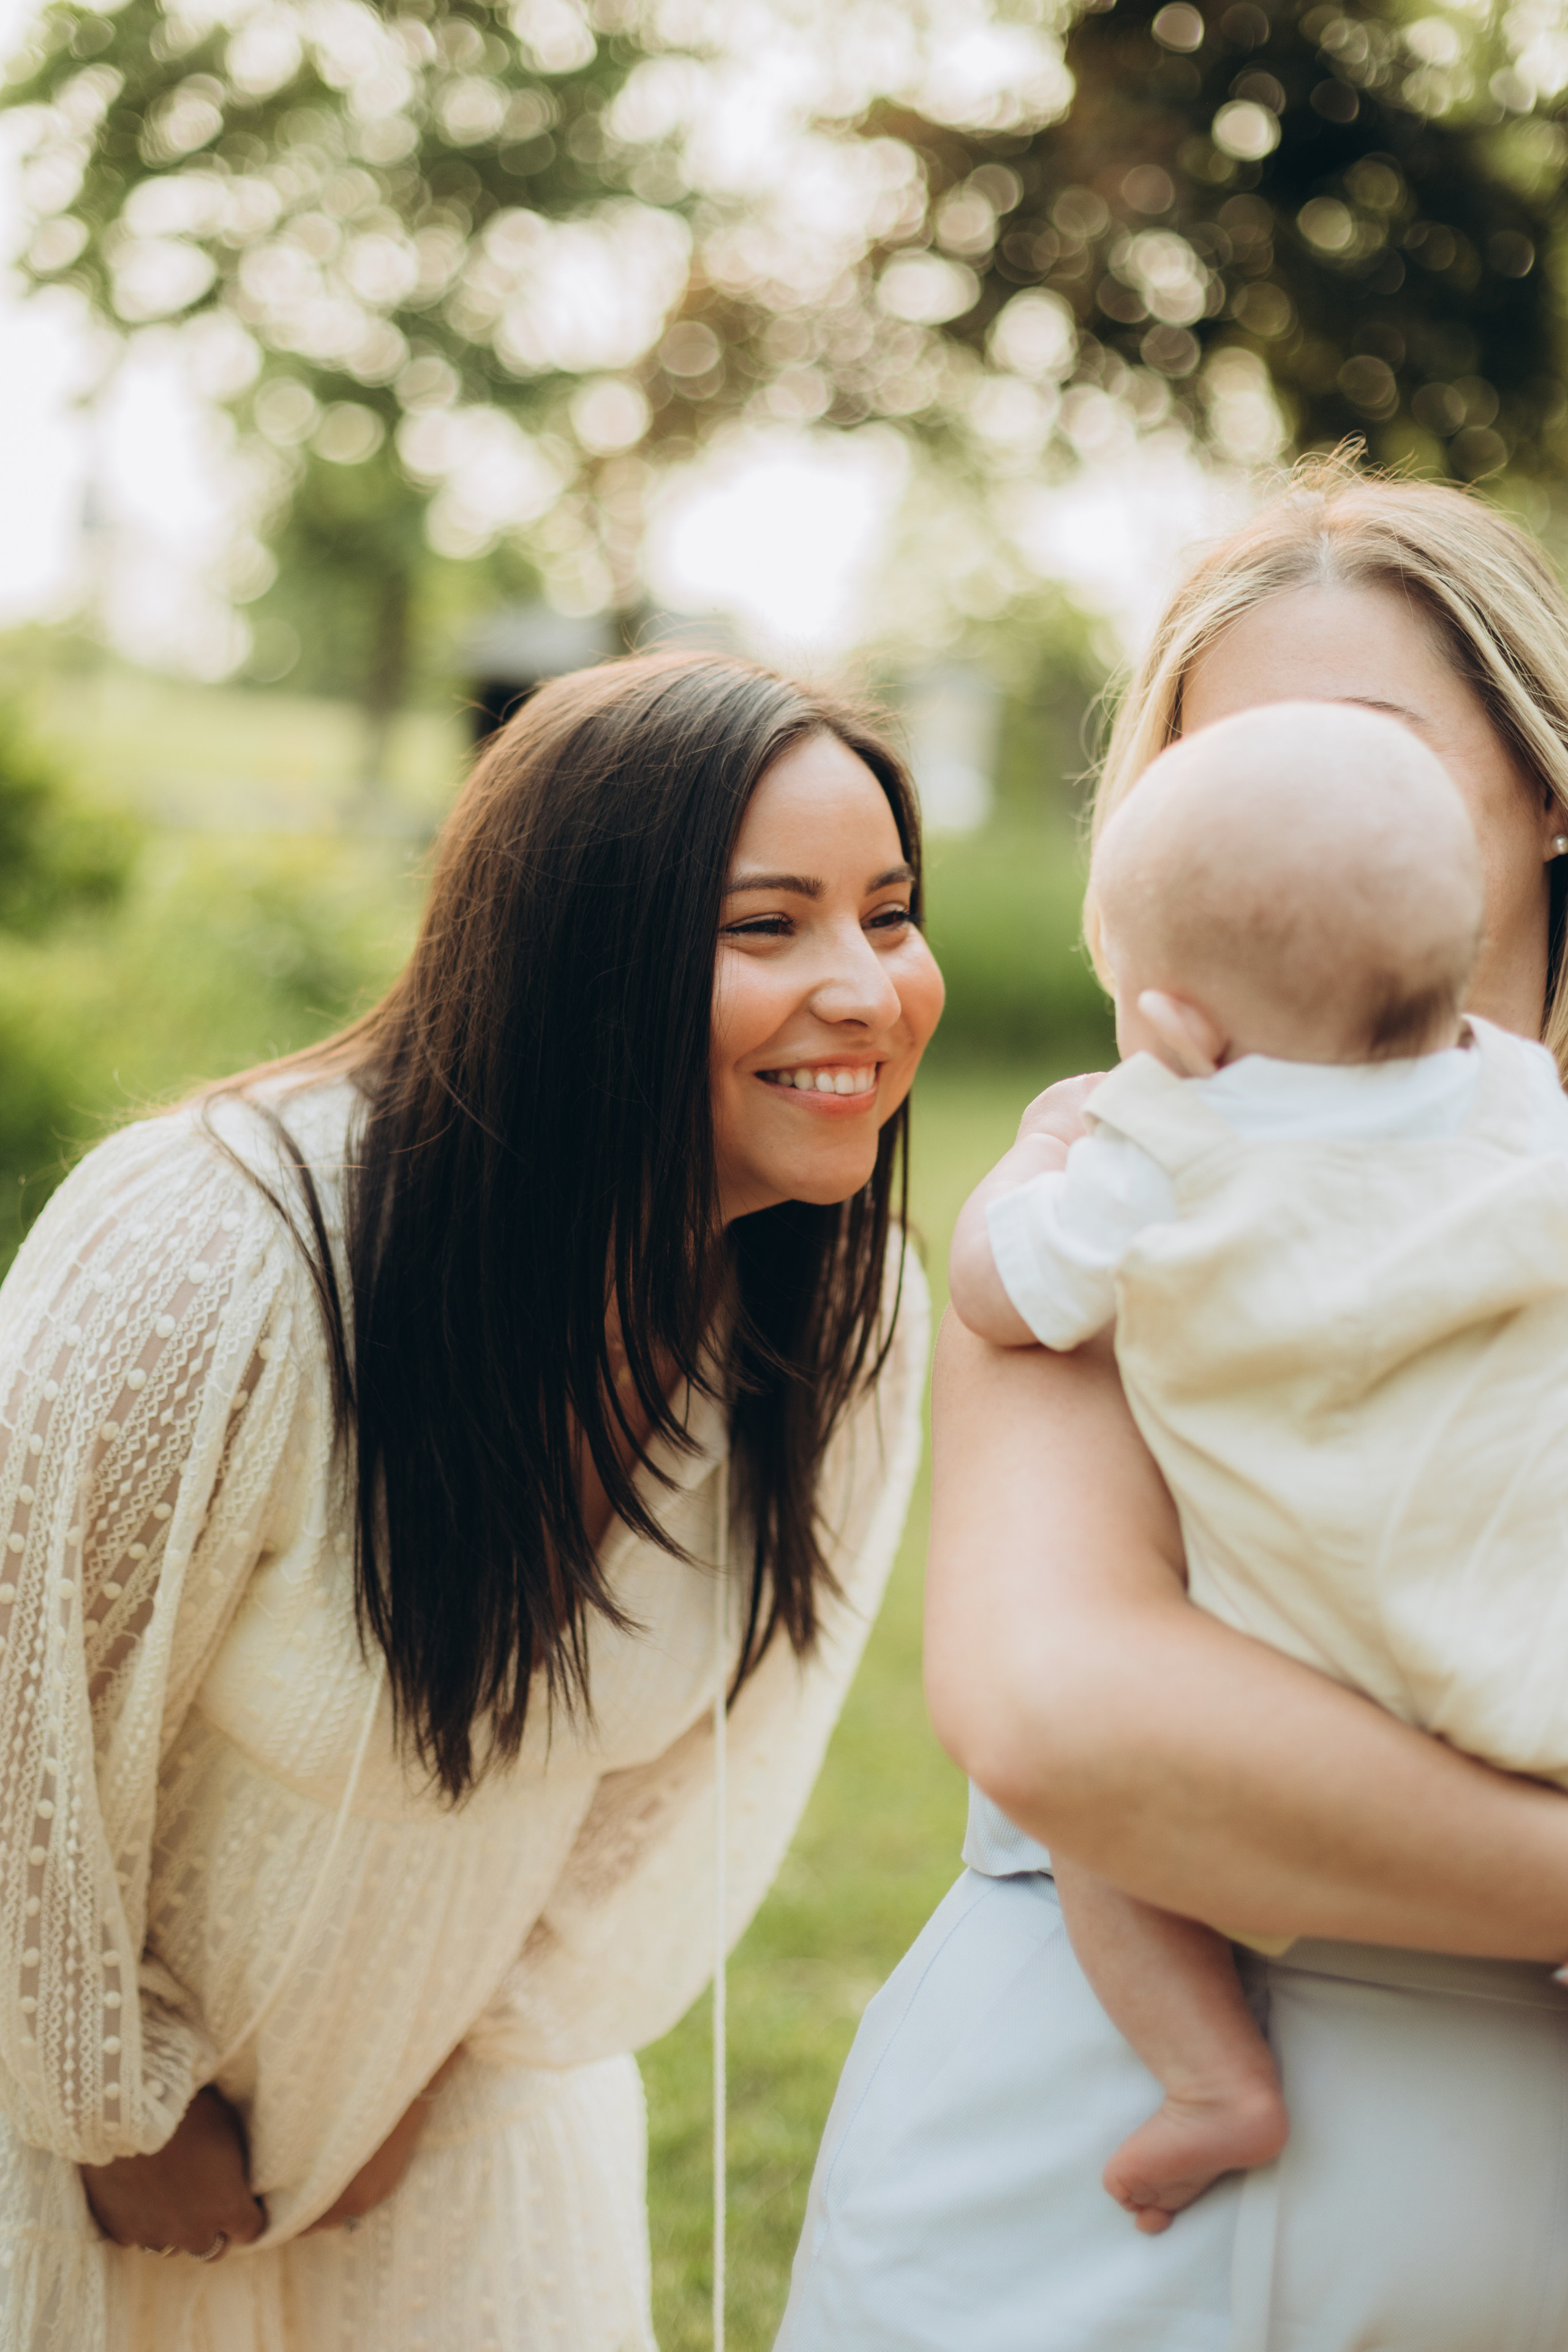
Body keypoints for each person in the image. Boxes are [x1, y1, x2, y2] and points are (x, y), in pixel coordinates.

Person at [0, 650, 944, 2352]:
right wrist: (116, 2107)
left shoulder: (838, 1313)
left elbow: (680, 1789)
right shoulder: (220, 1256)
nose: (868, 990)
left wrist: (438, 2059)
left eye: (889, 916)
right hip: (67, 2136)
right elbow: (22, 1716)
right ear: (576, 959)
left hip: (455, 2123)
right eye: (768, 927)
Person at [776, 461, 1568, 2352]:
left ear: (1547, 792)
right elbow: (1073, 1709)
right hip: (1068, 2162)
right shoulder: (1114, 1170)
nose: (1302, 805)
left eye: (1371, 747)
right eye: (1230, 765)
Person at [949, 695, 1568, 2234]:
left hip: (1308, 1671)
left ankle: (1208, 2076)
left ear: (1171, 1025)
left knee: (1100, 1819)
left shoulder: (1168, 1150)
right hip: (1530, 1638)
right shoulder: (1518, 1100)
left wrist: (1037, 1161)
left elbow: (1001, 1295)